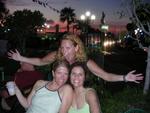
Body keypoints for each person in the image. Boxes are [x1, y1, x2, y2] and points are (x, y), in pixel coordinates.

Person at [8, 33, 143, 83]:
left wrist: (125, 77)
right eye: (62, 47)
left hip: (75, 90)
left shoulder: (85, 61)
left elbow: (105, 76)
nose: (63, 51)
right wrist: (21, 58)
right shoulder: (57, 55)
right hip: (58, 87)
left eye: (68, 48)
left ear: (76, 48)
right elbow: (41, 61)